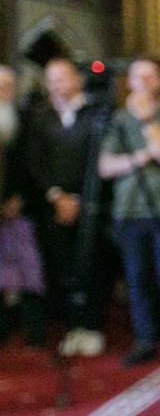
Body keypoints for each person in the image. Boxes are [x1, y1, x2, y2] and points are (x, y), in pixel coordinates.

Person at [99, 56, 160, 367]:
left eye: (150, 77)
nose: (143, 83)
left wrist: (149, 120)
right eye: (138, 77)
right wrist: (140, 157)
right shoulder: (118, 119)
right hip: (128, 210)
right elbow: (105, 166)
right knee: (137, 280)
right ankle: (145, 339)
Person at [16, 58, 111, 356]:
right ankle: (73, 326)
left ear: (77, 80)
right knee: (61, 267)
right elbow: (34, 161)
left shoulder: (96, 116)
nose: (57, 85)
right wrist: (56, 196)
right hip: (53, 204)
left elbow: (100, 160)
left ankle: (93, 326)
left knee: (93, 265)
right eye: (51, 80)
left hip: (91, 205)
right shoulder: (40, 118)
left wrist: (80, 199)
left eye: (62, 78)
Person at [0, 65, 47, 346]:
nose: (3, 90)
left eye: (8, 85)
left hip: (22, 207)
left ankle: (35, 332)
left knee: (29, 271)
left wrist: (19, 199)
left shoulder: (29, 120)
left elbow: (36, 164)